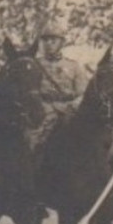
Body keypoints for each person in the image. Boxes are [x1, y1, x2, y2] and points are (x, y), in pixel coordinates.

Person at [33, 19, 91, 149]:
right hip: (42, 110)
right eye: (46, 40)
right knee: (33, 142)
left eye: (54, 40)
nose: (49, 43)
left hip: (68, 111)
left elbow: (83, 93)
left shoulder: (74, 66)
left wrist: (72, 106)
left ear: (62, 43)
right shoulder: (35, 65)